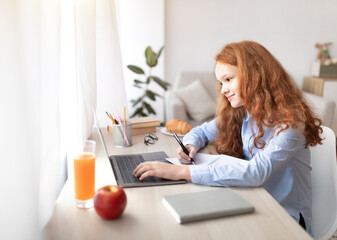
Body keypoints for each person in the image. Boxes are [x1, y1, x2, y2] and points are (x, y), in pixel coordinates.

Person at [133, 41, 323, 236]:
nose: (223, 89)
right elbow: (202, 132)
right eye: (221, 82)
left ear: (254, 76)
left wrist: (180, 172)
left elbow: (255, 172)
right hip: (253, 200)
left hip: (285, 218)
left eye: (228, 79)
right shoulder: (243, 112)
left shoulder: (291, 125)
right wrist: (189, 144)